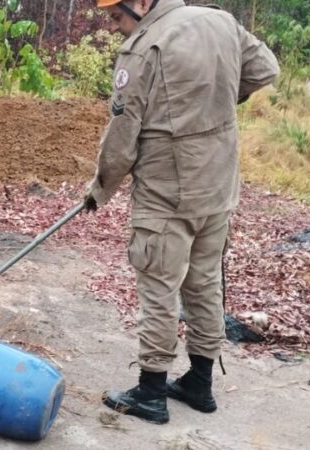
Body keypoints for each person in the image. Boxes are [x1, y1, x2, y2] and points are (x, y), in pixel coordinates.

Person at [84, 0, 279, 424]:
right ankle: (199, 383)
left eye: (116, 17)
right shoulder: (220, 20)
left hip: (167, 192)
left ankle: (151, 393)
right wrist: (222, 99)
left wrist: (100, 189)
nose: (115, 27)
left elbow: (123, 133)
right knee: (204, 282)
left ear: (139, 3)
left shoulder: (143, 48)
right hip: (218, 186)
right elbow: (266, 69)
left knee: (158, 285)